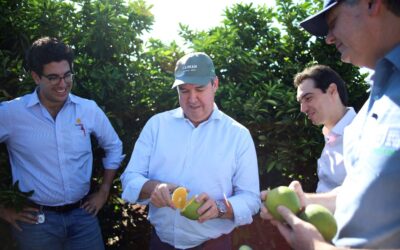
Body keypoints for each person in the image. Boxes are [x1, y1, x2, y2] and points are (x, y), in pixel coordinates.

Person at [260, 0, 400, 249]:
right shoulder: (375, 106)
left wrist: (315, 246)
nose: (329, 38)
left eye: (333, 22)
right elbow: (360, 195)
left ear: (371, 4)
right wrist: (302, 201)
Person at [121, 52, 260, 249]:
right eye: (184, 90)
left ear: (215, 84)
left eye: (200, 89)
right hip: (161, 242)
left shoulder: (238, 135)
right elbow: (130, 177)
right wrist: (154, 188)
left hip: (213, 244)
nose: (192, 99)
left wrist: (220, 208)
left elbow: (251, 199)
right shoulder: (157, 125)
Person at [0, 37, 124, 250]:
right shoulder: (11, 114)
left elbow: (114, 146)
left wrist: (104, 190)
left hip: (84, 217)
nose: (63, 84)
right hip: (36, 224)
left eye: (67, 75)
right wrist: (2, 209)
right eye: (53, 77)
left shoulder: (88, 109)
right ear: (36, 77)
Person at [294, 65, 356, 193]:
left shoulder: (363, 133)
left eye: (308, 98)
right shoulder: (330, 134)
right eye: (300, 101)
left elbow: (360, 196)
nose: (303, 109)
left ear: (332, 90)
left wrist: (304, 201)